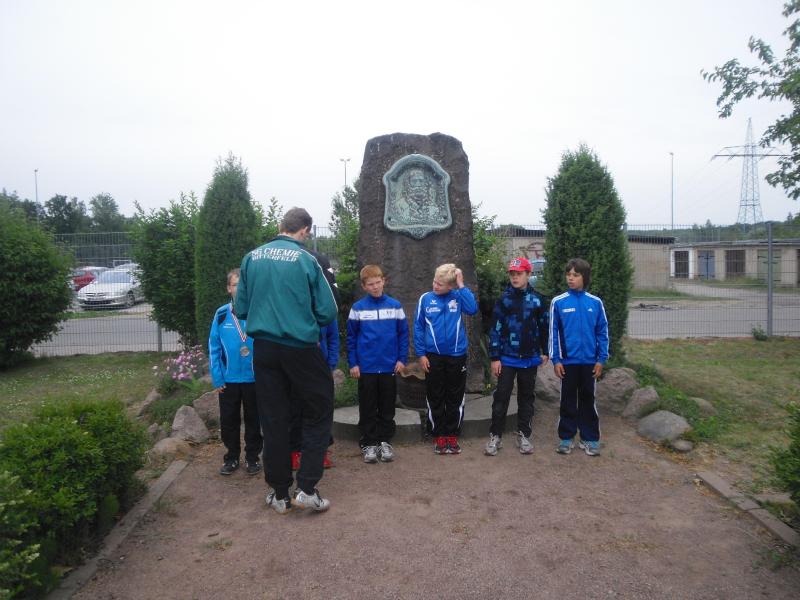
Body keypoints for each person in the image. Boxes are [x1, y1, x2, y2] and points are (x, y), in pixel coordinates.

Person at [235, 207, 338, 514]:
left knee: (273, 418)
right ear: (304, 230)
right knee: (319, 411)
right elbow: (328, 311)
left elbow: (241, 308)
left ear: (281, 225)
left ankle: (279, 493)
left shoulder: (251, 258)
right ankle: (306, 488)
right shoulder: (307, 259)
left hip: (264, 349)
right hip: (300, 347)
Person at [484, 257, 549, 456]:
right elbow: (495, 329)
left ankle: (524, 435)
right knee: (501, 397)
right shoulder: (504, 300)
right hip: (507, 358)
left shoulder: (538, 300)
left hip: (529, 358)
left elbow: (544, 327)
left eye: (519, 274)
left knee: (526, 398)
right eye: (512, 274)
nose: (515, 277)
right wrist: (495, 357)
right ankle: (496, 436)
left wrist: (546, 352)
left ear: (528, 274)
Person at [413, 263, 478, 455]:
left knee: (455, 396)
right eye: (434, 281)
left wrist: (461, 284)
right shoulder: (425, 299)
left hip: (456, 355)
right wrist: (421, 354)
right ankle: (439, 435)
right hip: (433, 356)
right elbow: (418, 327)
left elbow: (472, 309)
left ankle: (452, 435)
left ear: (450, 286)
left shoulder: (458, 296)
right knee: (435, 395)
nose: (435, 286)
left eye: (440, 284)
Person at [347, 265, 409, 464]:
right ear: (364, 286)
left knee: (387, 407)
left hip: (389, 366)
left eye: (377, 282)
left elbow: (403, 334)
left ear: (384, 281)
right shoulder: (358, 308)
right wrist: (353, 363)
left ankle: (384, 441)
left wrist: (401, 359)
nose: (375, 287)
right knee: (367, 407)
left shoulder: (395, 306)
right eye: (370, 284)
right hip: (366, 367)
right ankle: (369, 443)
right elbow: (351, 337)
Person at [549, 258, 609, 457]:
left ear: (585, 277)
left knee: (588, 400)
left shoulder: (595, 303)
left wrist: (601, 359)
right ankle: (566, 438)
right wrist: (556, 360)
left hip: (590, 362)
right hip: (567, 363)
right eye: (568, 274)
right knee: (567, 400)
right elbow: (553, 333)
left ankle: (589, 438)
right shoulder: (558, 302)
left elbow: (602, 332)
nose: (570, 278)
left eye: (575, 275)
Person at [208, 268, 263, 476]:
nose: (239, 289)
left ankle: (252, 457)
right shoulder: (222, 314)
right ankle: (231, 457)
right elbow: (214, 346)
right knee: (228, 420)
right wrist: (217, 377)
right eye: (235, 285)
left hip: (253, 378)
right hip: (228, 379)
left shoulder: (257, 311)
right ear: (228, 289)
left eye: (243, 285)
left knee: (253, 419)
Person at [290, 317, 339, 471]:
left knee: (322, 411)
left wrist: (330, 364)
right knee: (295, 410)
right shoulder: (292, 307)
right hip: (296, 367)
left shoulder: (325, 309)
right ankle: (295, 452)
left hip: (321, 368)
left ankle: (321, 452)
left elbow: (333, 337)